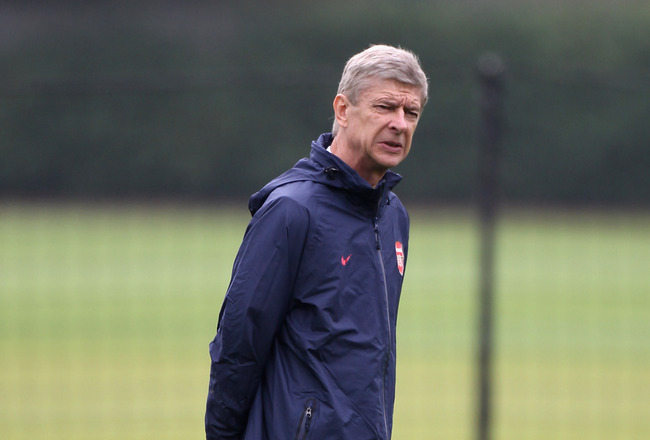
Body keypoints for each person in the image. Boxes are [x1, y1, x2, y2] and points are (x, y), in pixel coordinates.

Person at [205, 44, 428, 440]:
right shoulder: (291, 211)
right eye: (384, 107)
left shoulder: (394, 216)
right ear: (342, 109)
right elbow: (238, 347)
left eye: (410, 113)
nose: (400, 124)